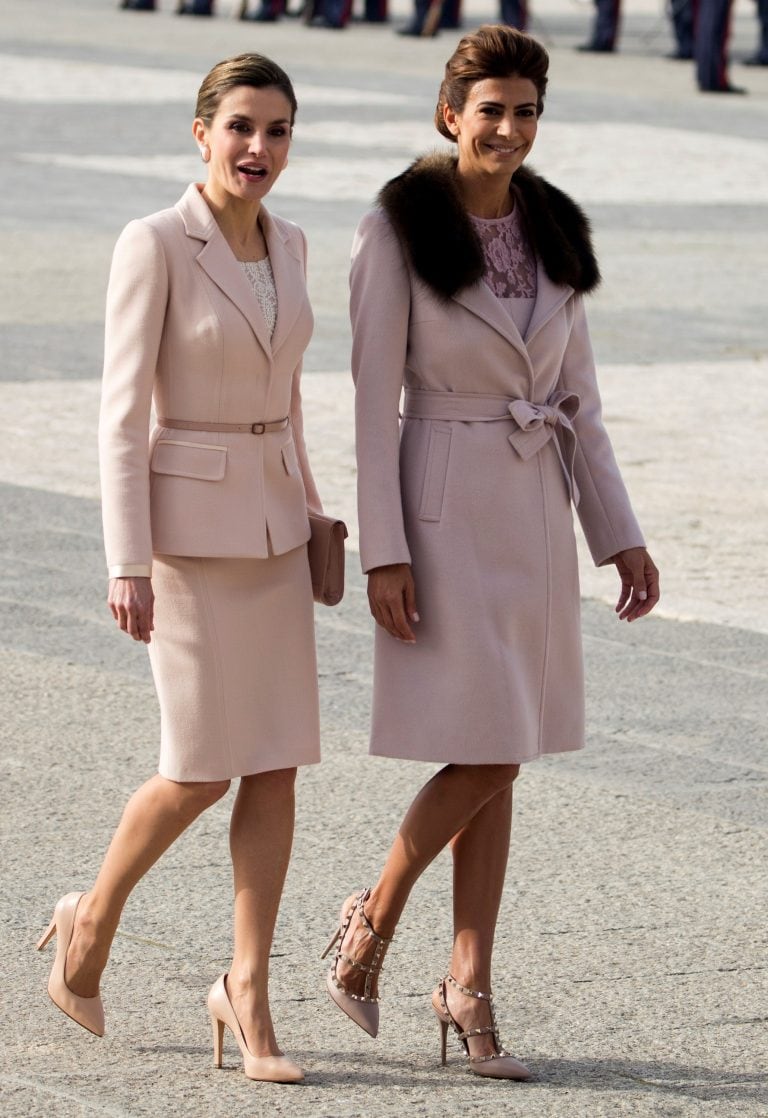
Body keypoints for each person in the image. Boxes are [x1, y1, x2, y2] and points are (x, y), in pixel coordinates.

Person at [324, 25, 659, 1079]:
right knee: (495, 743)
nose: (508, 130)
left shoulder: (554, 230)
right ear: (449, 113)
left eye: (525, 112)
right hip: (438, 507)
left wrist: (622, 535)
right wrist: (385, 550)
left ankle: (468, 990)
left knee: (500, 752)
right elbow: (371, 404)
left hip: (533, 514)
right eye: (490, 110)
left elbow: (580, 403)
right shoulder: (396, 228)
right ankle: (371, 920)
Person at [36, 53, 323, 1085]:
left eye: (279, 130)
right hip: (187, 537)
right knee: (200, 762)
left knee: (278, 756)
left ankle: (246, 985)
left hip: (278, 532)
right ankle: (92, 917)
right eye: (242, 126)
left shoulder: (292, 244)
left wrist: (318, 509)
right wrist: (127, 560)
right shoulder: (154, 241)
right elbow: (120, 416)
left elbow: (286, 395)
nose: (260, 148)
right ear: (200, 132)